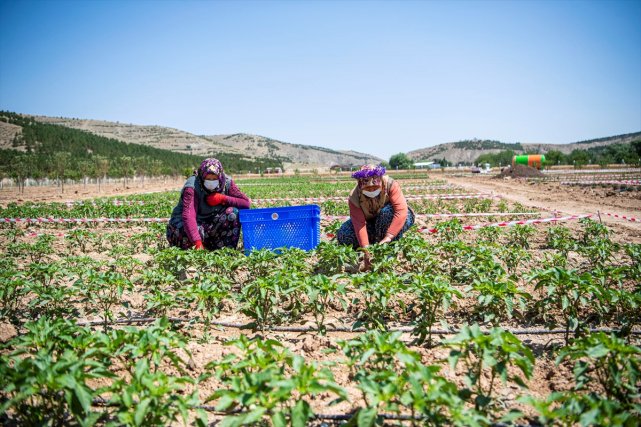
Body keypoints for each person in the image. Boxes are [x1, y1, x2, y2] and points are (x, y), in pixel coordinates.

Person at [337, 164, 415, 269]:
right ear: (360, 184)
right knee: (344, 233)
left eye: (374, 187)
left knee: (386, 214)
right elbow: (359, 224)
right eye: (368, 188)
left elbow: (401, 211)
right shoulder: (354, 196)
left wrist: (389, 236)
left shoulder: (390, 184)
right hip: (372, 223)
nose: (371, 190)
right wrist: (365, 249)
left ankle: (387, 253)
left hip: (395, 219)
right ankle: (371, 248)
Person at [167, 158, 251, 250]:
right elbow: (188, 216)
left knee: (233, 213)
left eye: (214, 178)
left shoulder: (227, 183)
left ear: (219, 177)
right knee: (184, 229)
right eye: (208, 178)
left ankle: (224, 250)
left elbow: (245, 203)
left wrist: (223, 198)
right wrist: (197, 242)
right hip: (195, 225)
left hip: (212, 226)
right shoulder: (192, 186)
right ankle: (197, 247)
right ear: (202, 176)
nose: (211, 181)